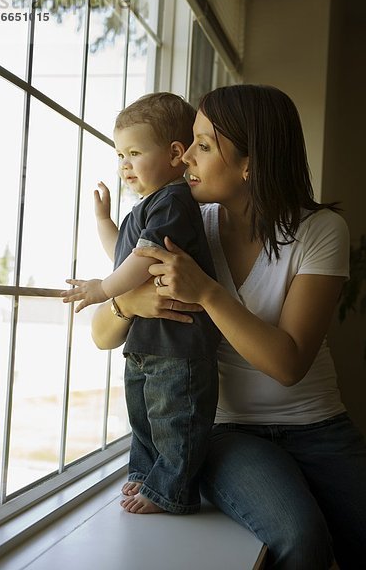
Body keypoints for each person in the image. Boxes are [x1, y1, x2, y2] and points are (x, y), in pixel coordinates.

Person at [91, 84, 366, 569]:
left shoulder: (320, 231)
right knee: (300, 538)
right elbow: (103, 335)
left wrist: (205, 291)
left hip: (319, 425)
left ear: (250, 163)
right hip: (225, 430)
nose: (186, 160)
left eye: (203, 146)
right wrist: (130, 303)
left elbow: (287, 363)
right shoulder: (185, 221)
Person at [62, 92, 220, 515]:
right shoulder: (145, 210)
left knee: (174, 420)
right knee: (144, 418)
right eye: (119, 155)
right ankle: (144, 475)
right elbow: (124, 256)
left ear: (173, 154)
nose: (124, 165)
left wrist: (103, 290)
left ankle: (171, 491)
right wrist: (103, 222)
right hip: (148, 341)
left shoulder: (173, 202)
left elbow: (140, 262)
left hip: (179, 344)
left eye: (134, 152)